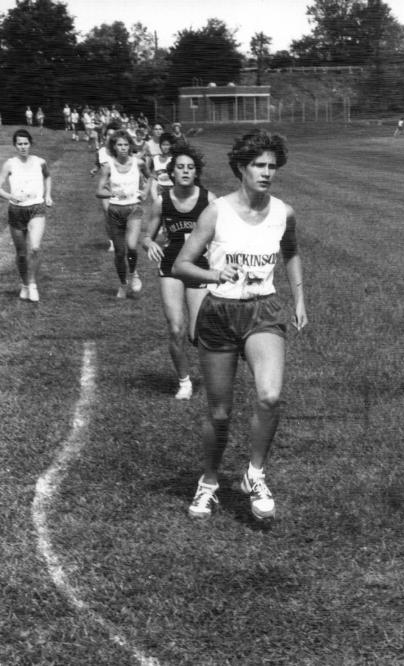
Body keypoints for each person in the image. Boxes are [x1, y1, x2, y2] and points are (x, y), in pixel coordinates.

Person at [173, 129, 307, 520]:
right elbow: (182, 265)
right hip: (219, 314)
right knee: (219, 412)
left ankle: (255, 473)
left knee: (269, 396)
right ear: (240, 168)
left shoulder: (284, 212)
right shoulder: (217, 212)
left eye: (272, 166)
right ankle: (210, 482)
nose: (266, 173)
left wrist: (300, 298)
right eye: (258, 165)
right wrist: (215, 275)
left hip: (263, 312)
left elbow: (292, 253)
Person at [143, 143, 216, 399]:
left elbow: (223, 237)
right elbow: (146, 237)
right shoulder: (162, 202)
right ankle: (184, 382)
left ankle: (212, 369)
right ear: (171, 172)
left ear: (197, 173)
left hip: (199, 268)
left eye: (190, 168)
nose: (185, 171)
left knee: (198, 335)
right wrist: (150, 243)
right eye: (180, 167)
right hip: (171, 267)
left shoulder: (209, 200)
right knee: (176, 328)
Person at [96, 129, 150, 298]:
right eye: (119, 145)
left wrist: (146, 191)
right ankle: (122, 284)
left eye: (126, 144)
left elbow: (150, 177)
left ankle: (134, 274)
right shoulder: (108, 166)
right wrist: (111, 194)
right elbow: (99, 191)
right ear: (114, 147)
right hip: (115, 211)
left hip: (134, 208)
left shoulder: (138, 163)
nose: (123, 148)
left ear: (130, 146)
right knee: (120, 252)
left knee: (132, 246)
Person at [0, 129, 52, 302]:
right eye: (19, 144)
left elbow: (47, 177)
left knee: (35, 247)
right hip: (16, 211)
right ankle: (24, 284)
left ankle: (32, 284)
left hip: (36, 208)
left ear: (30, 144)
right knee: (21, 253)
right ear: (15, 146)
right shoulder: (9, 164)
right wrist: (10, 196)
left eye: (26, 143)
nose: (23, 147)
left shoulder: (40, 162)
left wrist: (48, 195)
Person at [90, 121, 121, 251]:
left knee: (121, 214)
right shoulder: (101, 151)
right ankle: (112, 242)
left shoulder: (121, 151)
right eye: (108, 135)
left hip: (120, 186)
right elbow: (98, 163)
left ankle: (121, 237)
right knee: (108, 213)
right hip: (106, 187)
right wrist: (94, 169)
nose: (110, 137)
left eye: (113, 135)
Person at [149, 132, 174, 201]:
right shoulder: (156, 158)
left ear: (171, 145)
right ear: (160, 146)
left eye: (168, 145)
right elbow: (154, 177)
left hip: (172, 188)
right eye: (163, 145)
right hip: (160, 189)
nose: (165, 147)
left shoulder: (174, 159)